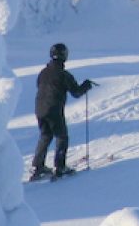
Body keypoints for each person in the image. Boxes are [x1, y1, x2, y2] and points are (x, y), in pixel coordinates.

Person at [32, 43, 96, 180]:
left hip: (39, 109)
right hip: (54, 109)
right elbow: (76, 93)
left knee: (45, 136)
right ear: (65, 56)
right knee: (62, 137)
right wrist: (86, 86)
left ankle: (38, 166)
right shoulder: (64, 75)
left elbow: (39, 85)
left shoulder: (43, 72)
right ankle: (60, 167)